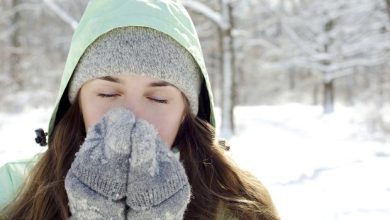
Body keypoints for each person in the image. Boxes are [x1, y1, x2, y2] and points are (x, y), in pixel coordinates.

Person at [0, 0, 280, 219]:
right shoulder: (13, 192)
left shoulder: (240, 207)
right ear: (77, 103)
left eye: (158, 98)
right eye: (108, 93)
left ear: (187, 113)